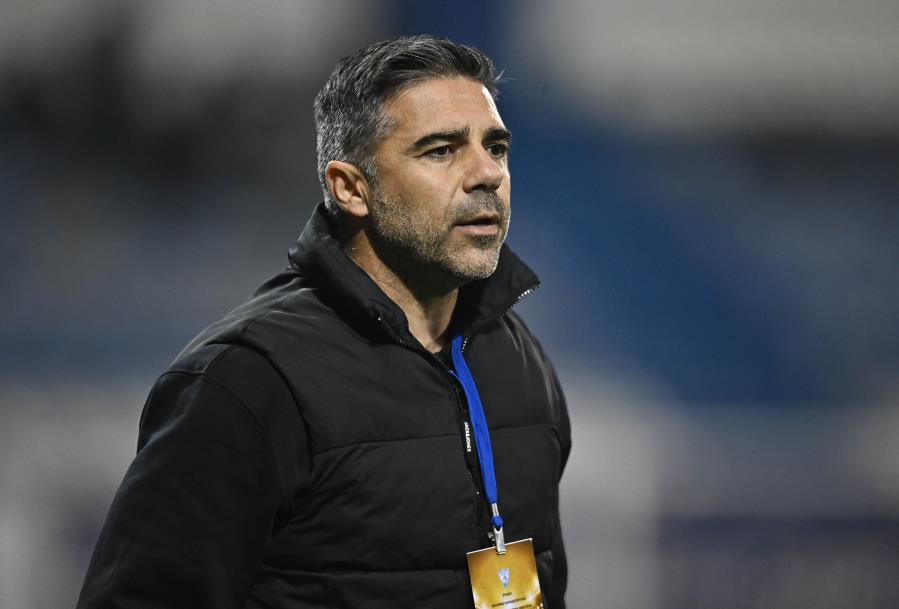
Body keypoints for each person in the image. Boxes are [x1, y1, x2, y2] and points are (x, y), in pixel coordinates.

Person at [76, 35, 571, 609]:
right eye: (441, 150)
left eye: (496, 147)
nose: (486, 173)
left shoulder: (520, 362)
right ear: (351, 189)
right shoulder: (248, 381)